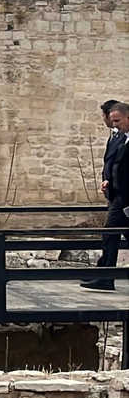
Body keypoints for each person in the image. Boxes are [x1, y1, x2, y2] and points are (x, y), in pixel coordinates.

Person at [83, 101, 129, 291]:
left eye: (118, 120)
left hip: (125, 197)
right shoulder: (121, 137)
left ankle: (106, 277)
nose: (115, 124)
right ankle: (105, 277)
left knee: (110, 232)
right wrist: (108, 180)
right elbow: (114, 164)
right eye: (113, 121)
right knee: (112, 234)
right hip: (118, 195)